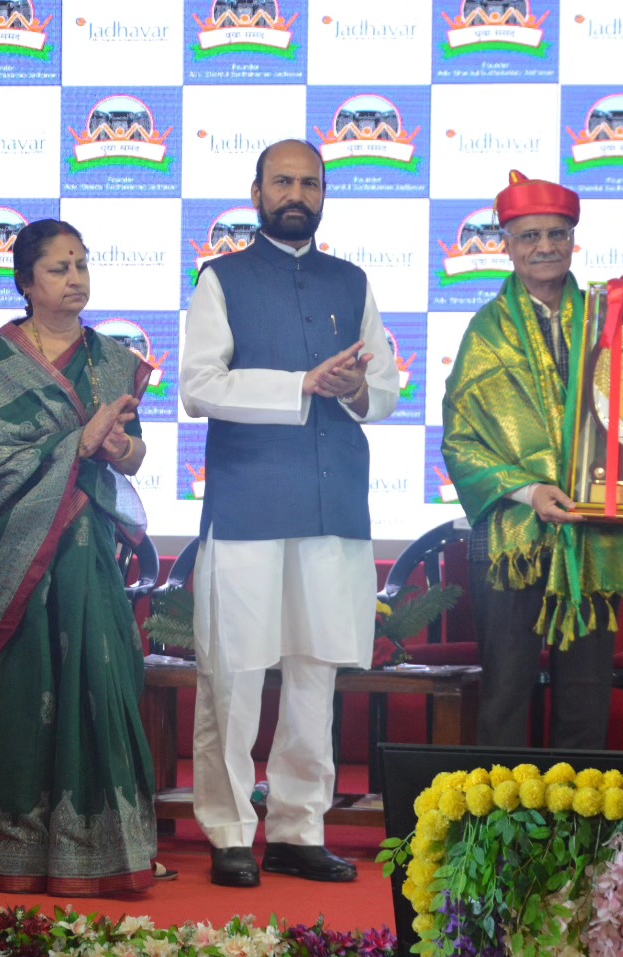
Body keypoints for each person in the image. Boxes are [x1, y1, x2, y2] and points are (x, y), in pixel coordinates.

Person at [181, 139, 399, 888]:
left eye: (309, 182)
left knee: (315, 674)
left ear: (323, 194)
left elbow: (386, 388)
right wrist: (300, 383)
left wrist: (353, 388)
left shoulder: (351, 280)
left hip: (334, 503)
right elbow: (199, 387)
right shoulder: (222, 279)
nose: (295, 194)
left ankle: (299, 829)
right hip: (247, 503)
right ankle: (229, 831)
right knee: (234, 676)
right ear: (257, 193)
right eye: (282, 182)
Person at [0, 219, 166, 895]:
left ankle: (104, 849)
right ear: (25, 282)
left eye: (81, 265)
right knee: (25, 691)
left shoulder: (113, 360)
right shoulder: (0, 364)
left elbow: (134, 454)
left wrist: (116, 446)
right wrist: (77, 443)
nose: (75, 279)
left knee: (102, 679)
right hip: (17, 567)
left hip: (88, 556)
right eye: (58, 268)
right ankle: (18, 850)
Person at [441, 171, 623, 751]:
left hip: (594, 530)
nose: (545, 247)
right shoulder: (485, 333)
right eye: (529, 236)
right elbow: (460, 441)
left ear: (573, 240)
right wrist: (530, 491)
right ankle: (498, 812)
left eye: (556, 234)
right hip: (513, 537)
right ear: (507, 245)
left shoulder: (614, 319)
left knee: (586, 696)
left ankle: (578, 809)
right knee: (505, 695)